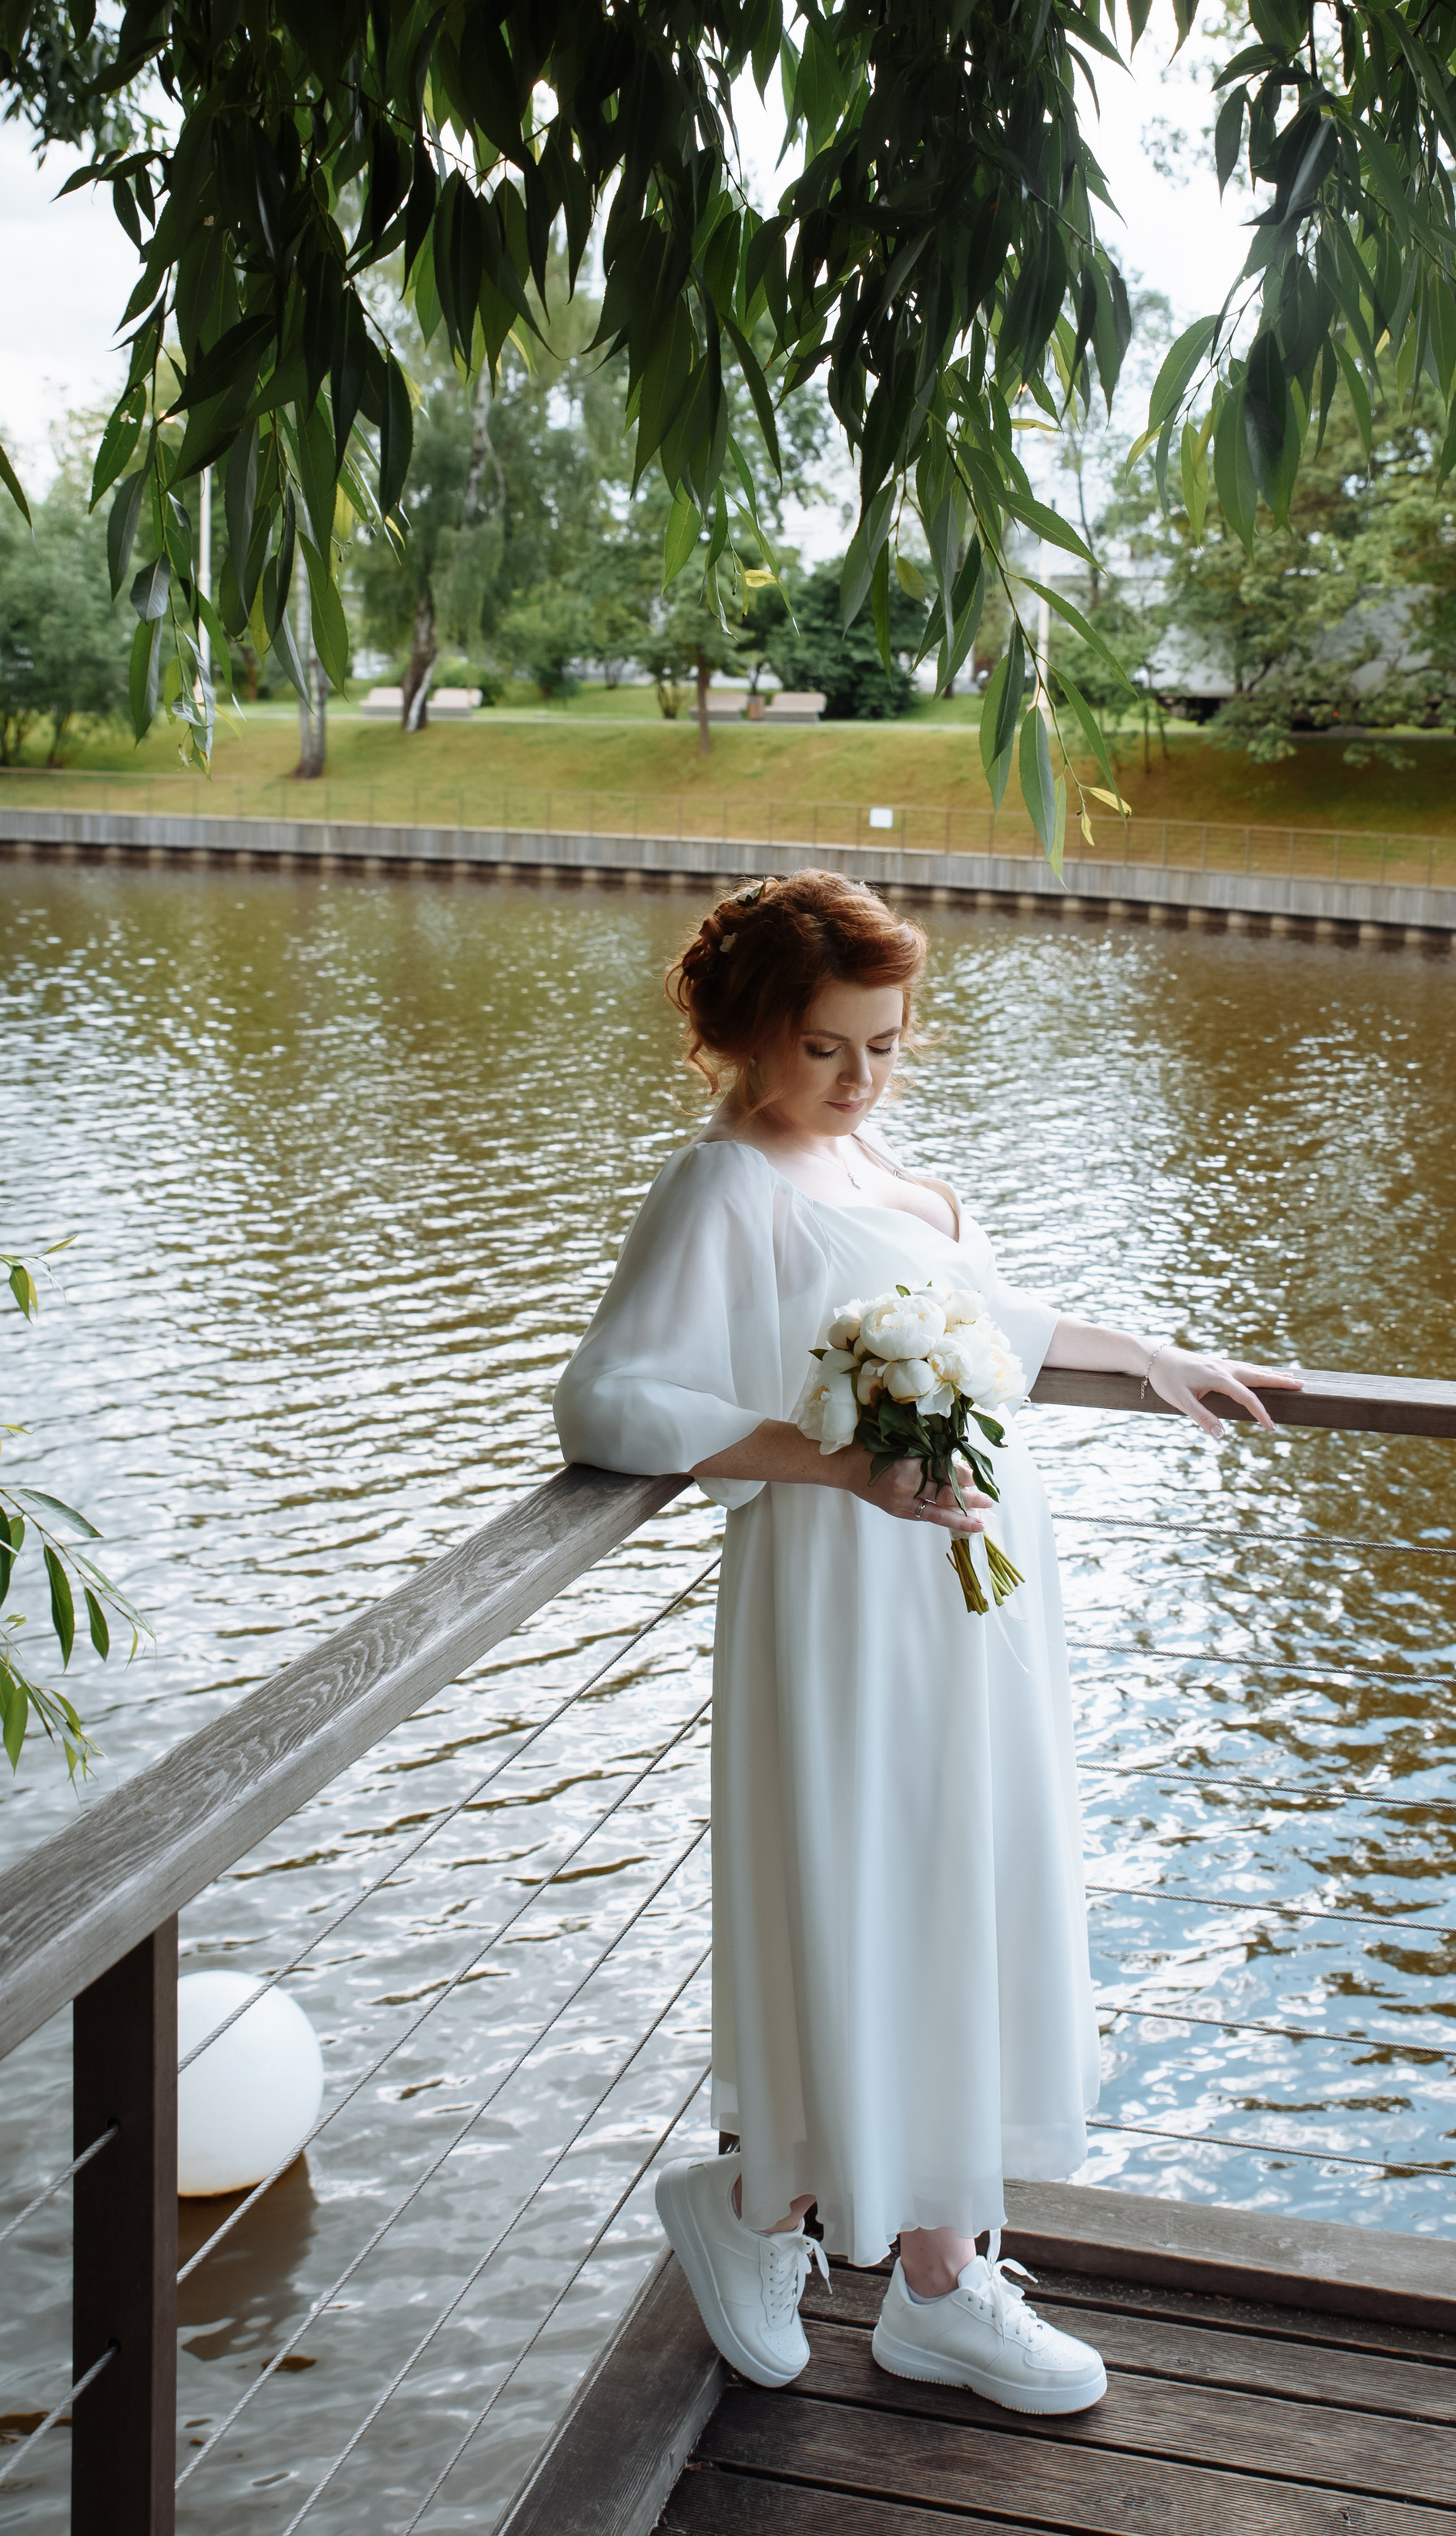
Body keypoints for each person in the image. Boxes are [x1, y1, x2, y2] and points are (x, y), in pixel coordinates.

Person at [554, 870, 1298, 2415]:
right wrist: (829, 1463)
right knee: (863, 1892)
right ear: (748, 1037)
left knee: (969, 1891)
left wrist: (1149, 1355)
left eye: (882, 1045)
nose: (856, 1078)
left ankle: (941, 2278)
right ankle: (766, 2204)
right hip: (840, 1596)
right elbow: (612, 1402)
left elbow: (988, 1326)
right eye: (824, 1048)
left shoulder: (881, 1168)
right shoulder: (725, 1189)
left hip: (981, 1598)